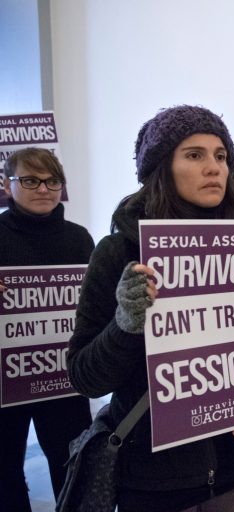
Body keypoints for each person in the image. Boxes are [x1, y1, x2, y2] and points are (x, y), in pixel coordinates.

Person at [67, 105, 234, 512]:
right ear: (161, 167)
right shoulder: (119, 252)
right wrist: (125, 325)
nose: (214, 168)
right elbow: (84, 377)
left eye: (221, 156)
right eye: (194, 155)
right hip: (154, 480)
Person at [0, 148, 94, 512]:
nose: (44, 188)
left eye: (52, 180)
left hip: (63, 376)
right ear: (8, 186)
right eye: (30, 180)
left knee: (73, 466)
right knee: (6, 471)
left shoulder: (80, 238)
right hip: (7, 379)